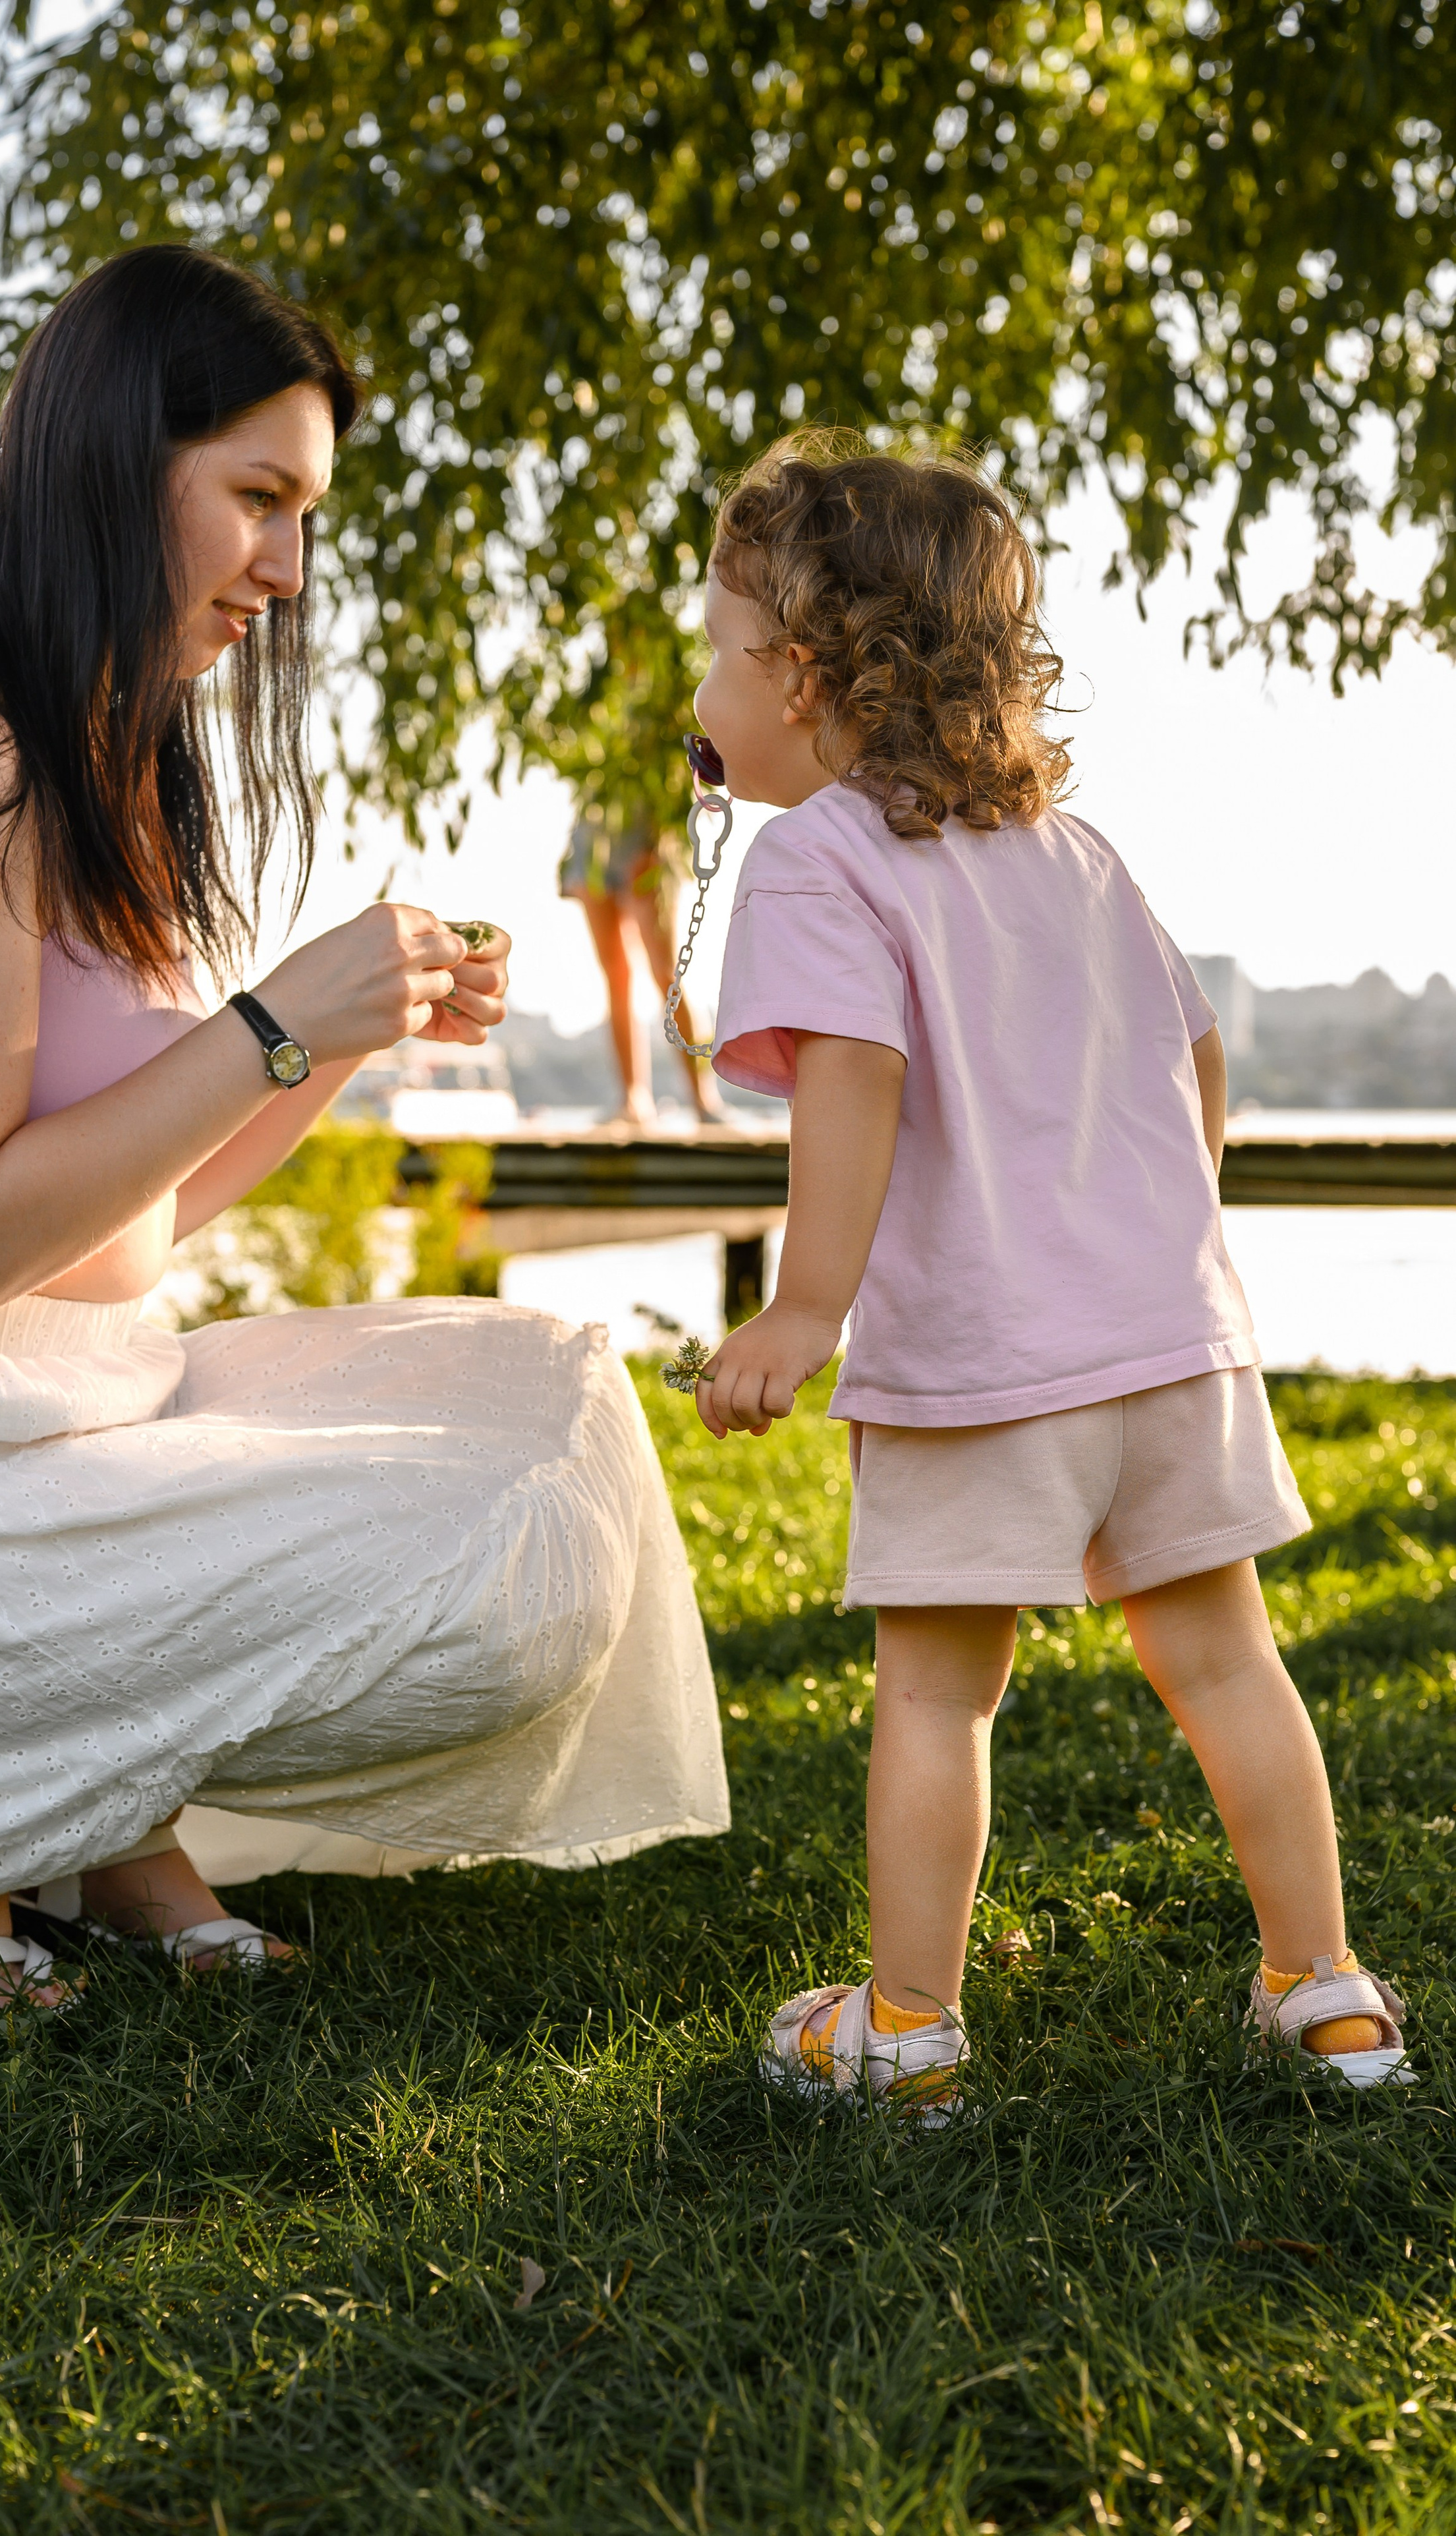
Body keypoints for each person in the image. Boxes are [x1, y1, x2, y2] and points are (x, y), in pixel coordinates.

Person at [0, 246, 727, 2006]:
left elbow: (133, 1213)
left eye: (306, 517)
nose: (287, 572)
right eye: (259, 501)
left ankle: (75, 1794)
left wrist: (338, 1047)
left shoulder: (107, 750)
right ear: (119, 464)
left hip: (76, 1407)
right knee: (494, 1562)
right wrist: (271, 1017)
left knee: (549, 1426)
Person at [686, 432, 1410, 2115]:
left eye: (715, 652)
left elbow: (852, 1083)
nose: (705, 687)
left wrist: (805, 1310)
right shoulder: (1075, 853)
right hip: (1166, 1345)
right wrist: (1151, 1241)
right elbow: (1198, 1055)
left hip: (982, 1354)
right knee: (1224, 1656)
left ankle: (910, 2027)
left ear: (797, 677)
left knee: (940, 1687)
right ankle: (1324, 1986)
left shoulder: (816, 858)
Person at [559, 794, 726, 1126]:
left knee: (666, 973)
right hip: (593, 835)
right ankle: (633, 1098)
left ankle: (703, 1098)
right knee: (616, 976)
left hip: (645, 831)